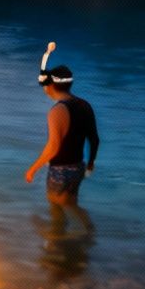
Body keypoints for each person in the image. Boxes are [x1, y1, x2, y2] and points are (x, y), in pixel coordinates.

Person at [24, 42, 98, 207]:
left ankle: (81, 227)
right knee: (70, 204)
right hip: (78, 167)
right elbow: (94, 138)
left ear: (51, 86)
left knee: (56, 206)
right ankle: (83, 229)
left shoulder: (57, 111)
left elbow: (53, 147)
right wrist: (91, 163)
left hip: (60, 170)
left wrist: (33, 168)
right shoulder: (85, 105)